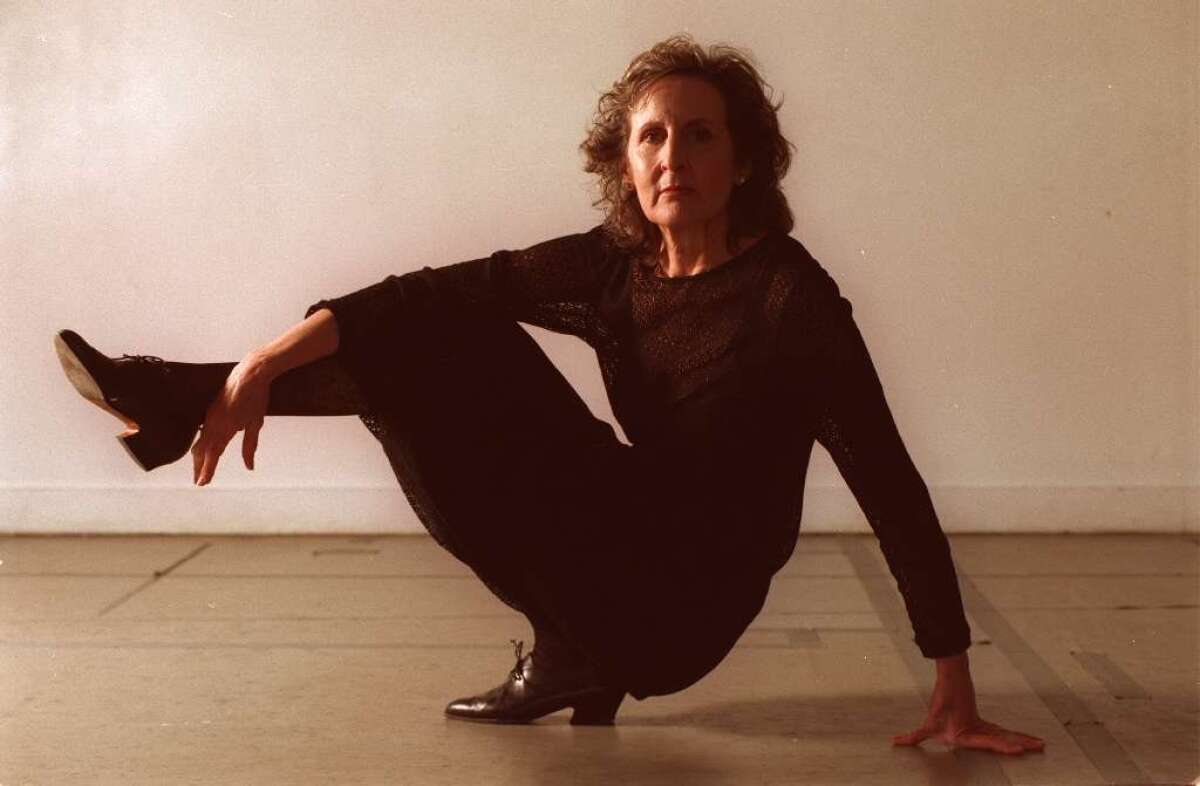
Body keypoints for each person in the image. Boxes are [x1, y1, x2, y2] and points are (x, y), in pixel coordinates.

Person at [55, 34, 1044, 754]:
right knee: (446, 324)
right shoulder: (617, 267)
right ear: (626, 162)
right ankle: (195, 392)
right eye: (652, 138)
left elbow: (889, 482)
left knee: (441, 338)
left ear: (742, 162)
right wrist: (259, 367)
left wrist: (952, 677)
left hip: (683, 610)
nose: (672, 158)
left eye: (698, 137)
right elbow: (422, 296)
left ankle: (175, 399)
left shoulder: (793, 302)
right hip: (613, 536)